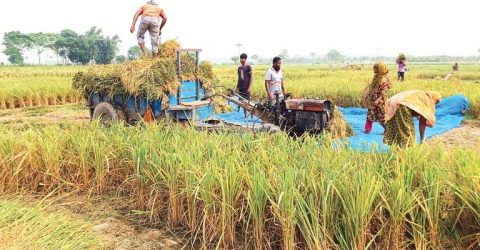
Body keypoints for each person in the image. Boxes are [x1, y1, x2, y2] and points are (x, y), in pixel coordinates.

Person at [363, 62, 391, 133]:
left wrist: (378, 100)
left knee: (381, 115)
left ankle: (387, 130)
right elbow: (372, 88)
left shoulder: (384, 79)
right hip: (373, 99)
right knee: (370, 114)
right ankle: (367, 129)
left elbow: (384, 91)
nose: (374, 69)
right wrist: (367, 95)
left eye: (375, 68)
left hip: (380, 100)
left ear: (380, 69)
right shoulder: (376, 77)